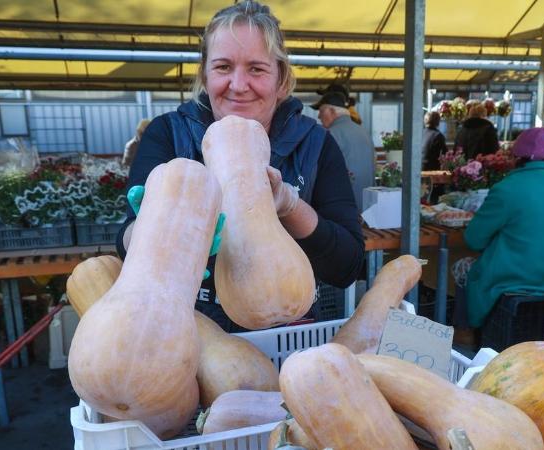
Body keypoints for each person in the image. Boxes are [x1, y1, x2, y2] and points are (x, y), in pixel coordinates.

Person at [117, 0, 364, 330]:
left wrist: (291, 206)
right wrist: (156, 227)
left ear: (281, 78)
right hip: (191, 335)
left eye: (256, 69)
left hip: (292, 334)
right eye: (223, 67)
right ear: (205, 74)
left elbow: (348, 267)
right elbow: (124, 246)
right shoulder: (167, 134)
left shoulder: (316, 143)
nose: (238, 84)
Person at [453, 127, 544, 341]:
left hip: (514, 279)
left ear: (515, 157)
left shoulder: (507, 189)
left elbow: (473, 240)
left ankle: (466, 333)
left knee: (461, 266)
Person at [312, 91, 375, 211]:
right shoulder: (364, 132)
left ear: (332, 111)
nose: (319, 116)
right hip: (367, 207)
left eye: (321, 111)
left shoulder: (331, 134)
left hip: (342, 208)